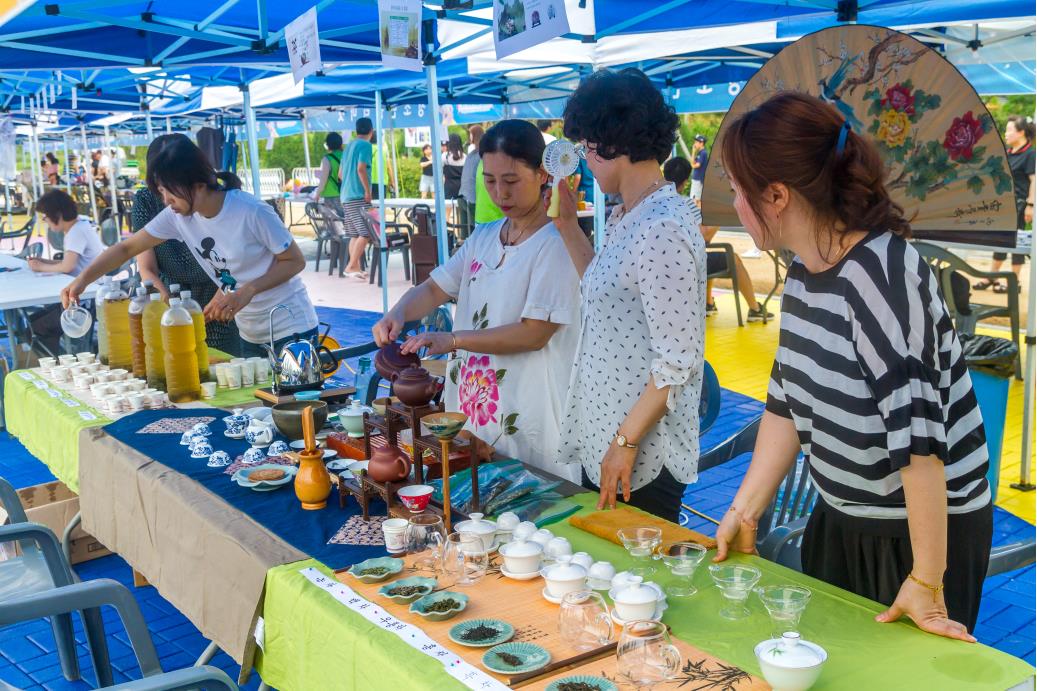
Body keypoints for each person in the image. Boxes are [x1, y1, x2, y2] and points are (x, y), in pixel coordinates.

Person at [712, 92, 992, 641]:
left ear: (777, 195)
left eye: (739, 190)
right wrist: (745, 509)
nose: (735, 206)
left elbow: (921, 446)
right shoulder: (803, 271)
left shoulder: (882, 276)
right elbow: (787, 399)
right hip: (841, 516)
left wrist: (928, 581)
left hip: (921, 535)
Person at [372, 120, 582, 482]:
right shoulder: (483, 237)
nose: (500, 192)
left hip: (529, 411)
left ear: (544, 174)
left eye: (511, 181)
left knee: (534, 512)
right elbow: (435, 288)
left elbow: (534, 334)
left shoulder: (557, 244)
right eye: (490, 180)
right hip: (474, 409)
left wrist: (454, 340)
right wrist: (398, 313)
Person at [553, 68, 706, 521]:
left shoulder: (661, 226)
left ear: (609, 141)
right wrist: (565, 225)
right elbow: (603, 292)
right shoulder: (630, 214)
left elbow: (677, 361)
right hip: (613, 433)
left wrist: (625, 443)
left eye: (585, 147)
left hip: (641, 454)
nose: (583, 159)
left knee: (634, 582)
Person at [61, 137, 318, 359]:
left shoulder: (251, 211)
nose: (166, 201)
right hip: (250, 331)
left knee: (298, 410)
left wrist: (247, 290)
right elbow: (126, 248)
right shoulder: (178, 217)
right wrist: (83, 280)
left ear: (198, 185)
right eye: (161, 193)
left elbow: (294, 261)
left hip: (291, 326)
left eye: (170, 193)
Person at [131, 134, 240, 352]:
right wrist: (170, 306)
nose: (167, 198)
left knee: (222, 364)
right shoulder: (147, 200)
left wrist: (224, 293)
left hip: (217, 294)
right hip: (170, 293)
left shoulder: (212, 199)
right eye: (160, 187)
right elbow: (145, 266)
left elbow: (239, 261)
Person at [663, 156, 773, 322]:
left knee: (709, 252)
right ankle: (755, 309)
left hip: (667, 262)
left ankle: (708, 303)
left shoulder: (658, 203)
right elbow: (704, 235)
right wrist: (719, 217)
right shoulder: (685, 204)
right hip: (687, 263)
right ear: (685, 181)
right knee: (732, 259)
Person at [27, 189, 105, 355]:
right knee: (36, 320)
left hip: (82, 301)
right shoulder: (81, 225)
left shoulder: (75, 232)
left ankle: (60, 361)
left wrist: (40, 267)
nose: (46, 221)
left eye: (46, 217)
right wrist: (44, 262)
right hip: (86, 295)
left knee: (32, 326)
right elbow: (71, 263)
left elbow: (68, 267)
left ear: (57, 215)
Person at [976, 116, 1034, 293]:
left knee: (1017, 241)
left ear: (1021, 132)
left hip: (1020, 204)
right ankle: (991, 276)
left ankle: (1014, 282)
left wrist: (1031, 205)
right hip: (1004, 205)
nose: (1006, 134)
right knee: (1001, 238)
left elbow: (1035, 180)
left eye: (1010, 130)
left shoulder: (1031, 154)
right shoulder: (1009, 152)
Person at [339, 117, 377, 279]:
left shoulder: (349, 146)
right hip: (357, 195)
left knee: (354, 234)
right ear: (371, 131)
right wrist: (368, 191)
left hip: (345, 195)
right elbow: (361, 169)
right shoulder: (366, 145)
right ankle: (351, 266)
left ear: (356, 130)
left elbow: (340, 174)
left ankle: (356, 268)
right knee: (365, 233)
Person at [312, 131, 347, 238]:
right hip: (346, 194)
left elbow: (323, 180)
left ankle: (338, 252)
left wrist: (317, 194)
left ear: (328, 145)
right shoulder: (346, 156)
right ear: (341, 144)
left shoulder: (327, 159)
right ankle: (349, 251)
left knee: (335, 229)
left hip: (331, 196)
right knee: (347, 225)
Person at [458, 125, 484, 239]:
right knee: (467, 235)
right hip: (465, 197)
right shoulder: (473, 153)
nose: (469, 137)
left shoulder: (481, 154)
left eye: (470, 134)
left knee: (472, 234)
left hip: (471, 198)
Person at [442, 133, 466, 200]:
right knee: (460, 207)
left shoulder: (445, 155)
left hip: (448, 186)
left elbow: (440, 171)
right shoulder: (464, 156)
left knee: (447, 208)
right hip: (461, 186)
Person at [690, 134, 708, 200]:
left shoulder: (703, 153)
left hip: (698, 180)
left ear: (701, 143)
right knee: (694, 199)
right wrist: (693, 152)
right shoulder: (699, 153)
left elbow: (697, 165)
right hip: (696, 179)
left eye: (696, 142)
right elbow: (692, 162)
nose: (695, 144)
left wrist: (692, 165)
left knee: (696, 200)